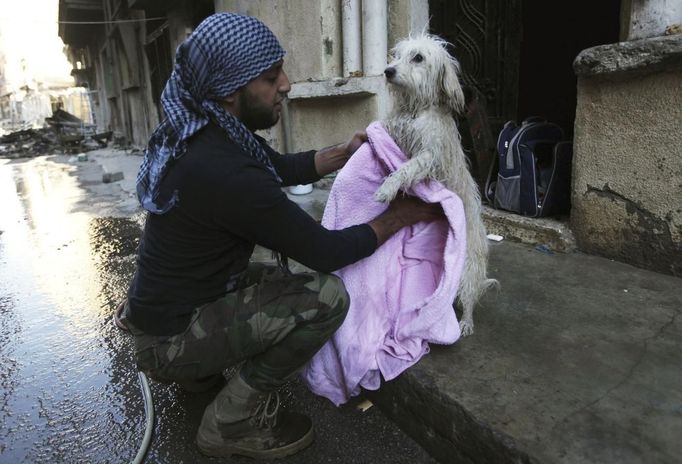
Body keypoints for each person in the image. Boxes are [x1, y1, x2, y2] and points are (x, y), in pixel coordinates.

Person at [119, 12, 443, 460]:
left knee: (267, 278)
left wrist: (345, 154)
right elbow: (325, 251)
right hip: (167, 340)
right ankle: (230, 422)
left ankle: (197, 372)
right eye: (272, 78)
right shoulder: (227, 171)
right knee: (325, 298)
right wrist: (400, 215)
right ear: (231, 91)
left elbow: (280, 168)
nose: (287, 84)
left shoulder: (209, 131)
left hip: (164, 312)